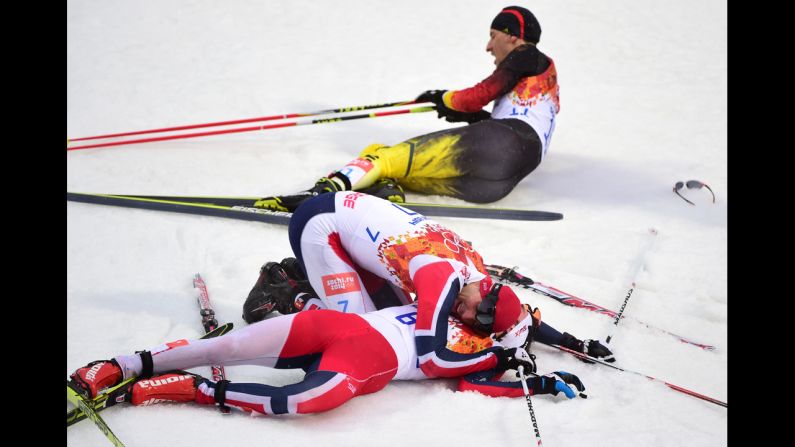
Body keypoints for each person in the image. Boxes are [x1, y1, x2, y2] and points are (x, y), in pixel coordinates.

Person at [68, 288, 586, 416]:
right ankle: (122, 365)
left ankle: (196, 388)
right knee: (230, 344)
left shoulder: (483, 352)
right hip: (339, 327)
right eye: (485, 299)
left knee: (304, 401)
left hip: (363, 363)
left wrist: (535, 379)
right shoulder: (446, 301)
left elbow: (475, 383)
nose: (476, 305)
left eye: (488, 311)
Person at [243, 192, 615, 365]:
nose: (469, 321)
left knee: (397, 309)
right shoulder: (441, 279)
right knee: (355, 332)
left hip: (349, 218)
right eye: (479, 317)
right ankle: (285, 289)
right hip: (320, 226)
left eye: (481, 326)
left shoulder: (479, 277)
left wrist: (573, 342)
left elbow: (520, 318)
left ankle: (307, 275)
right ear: (485, 297)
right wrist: (496, 358)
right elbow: (430, 352)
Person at [253, 5, 559, 212]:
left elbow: (478, 95)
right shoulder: (538, 76)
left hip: (502, 143)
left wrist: (446, 98)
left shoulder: (526, 54)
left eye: (493, 36)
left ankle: (318, 195)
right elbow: (511, 119)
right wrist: (469, 116)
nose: (489, 47)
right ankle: (387, 191)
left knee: (383, 157)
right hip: (502, 179)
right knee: (392, 169)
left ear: (514, 36)